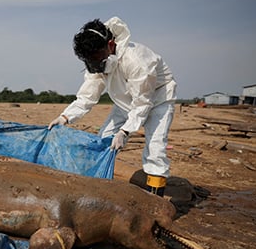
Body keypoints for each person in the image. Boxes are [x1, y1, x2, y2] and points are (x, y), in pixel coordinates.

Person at [48, 17, 176, 197]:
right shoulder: (96, 62)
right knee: (104, 141)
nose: (94, 64)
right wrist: (66, 117)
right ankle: (98, 190)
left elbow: (142, 103)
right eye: (89, 60)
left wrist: (125, 132)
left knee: (155, 150)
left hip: (157, 101)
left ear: (110, 44)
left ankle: (155, 201)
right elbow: (88, 95)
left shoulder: (136, 61)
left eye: (97, 58)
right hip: (124, 103)